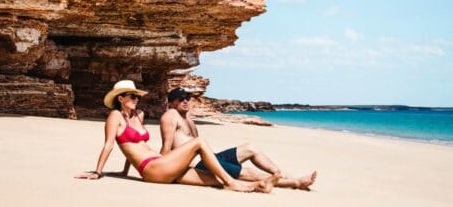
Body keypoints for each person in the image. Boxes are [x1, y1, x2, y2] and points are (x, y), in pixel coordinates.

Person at [75, 80, 279, 193]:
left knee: (212, 179)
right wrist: (97, 172)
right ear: (120, 98)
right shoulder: (115, 116)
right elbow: (110, 144)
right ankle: (232, 183)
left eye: (138, 96)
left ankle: (258, 185)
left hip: (162, 164)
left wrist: (124, 170)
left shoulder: (139, 115)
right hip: (152, 170)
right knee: (199, 143)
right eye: (132, 97)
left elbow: (135, 146)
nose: (137, 100)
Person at [159, 87, 317, 190]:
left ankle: (285, 175)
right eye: (180, 99)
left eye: (187, 97)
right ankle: (295, 183)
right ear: (171, 102)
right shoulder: (170, 116)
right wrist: (165, 171)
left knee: (250, 148)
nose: (185, 101)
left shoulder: (187, 118)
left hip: (210, 158)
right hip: (200, 165)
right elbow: (166, 149)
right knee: (248, 172)